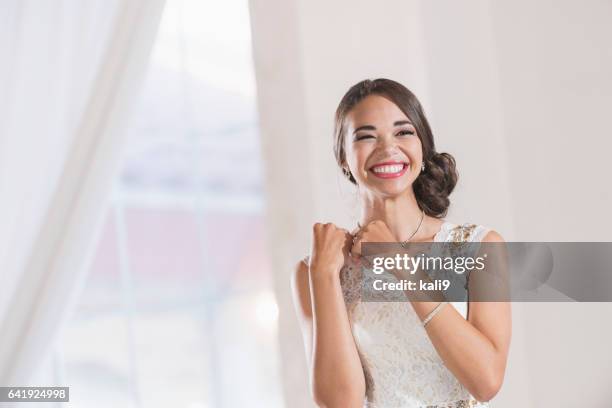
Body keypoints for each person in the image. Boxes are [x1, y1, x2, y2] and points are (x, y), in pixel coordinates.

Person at [291, 78, 511, 407]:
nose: (387, 147)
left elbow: (486, 381)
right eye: (366, 136)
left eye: (403, 132)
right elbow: (340, 403)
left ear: (422, 146)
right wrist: (324, 276)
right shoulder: (319, 267)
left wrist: (401, 264)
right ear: (343, 158)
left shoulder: (478, 246)